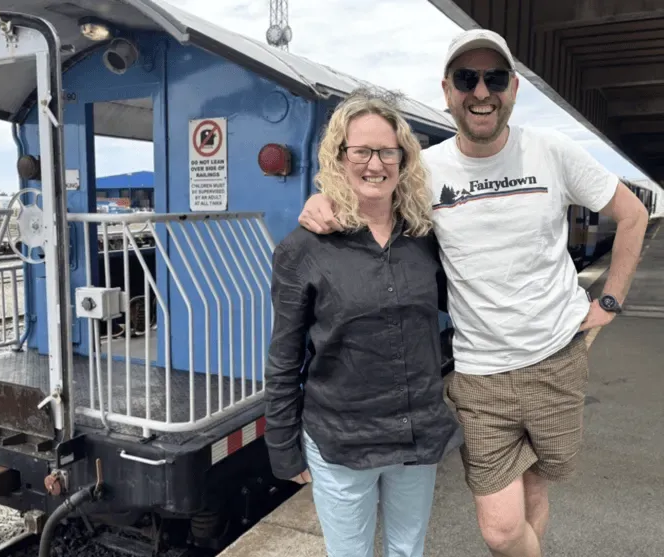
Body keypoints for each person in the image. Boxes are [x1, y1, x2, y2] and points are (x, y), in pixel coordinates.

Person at [297, 29, 650, 557]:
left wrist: (609, 302)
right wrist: (322, 201)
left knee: (535, 488)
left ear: (513, 89)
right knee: (499, 529)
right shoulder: (427, 170)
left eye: (495, 78)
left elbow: (633, 214)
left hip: (557, 359)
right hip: (480, 377)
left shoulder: (551, 150)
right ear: (447, 90)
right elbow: (370, 196)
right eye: (467, 79)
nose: (481, 91)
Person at [263, 87, 463, 557]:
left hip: (415, 435)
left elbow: (466, 308)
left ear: (404, 157)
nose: (375, 164)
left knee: (406, 551)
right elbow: (284, 355)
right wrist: (281, 444)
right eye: (362, 151)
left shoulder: (424, 238)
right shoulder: (302, 249)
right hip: (340, 441)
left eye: (387, 151)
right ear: (339, 156)